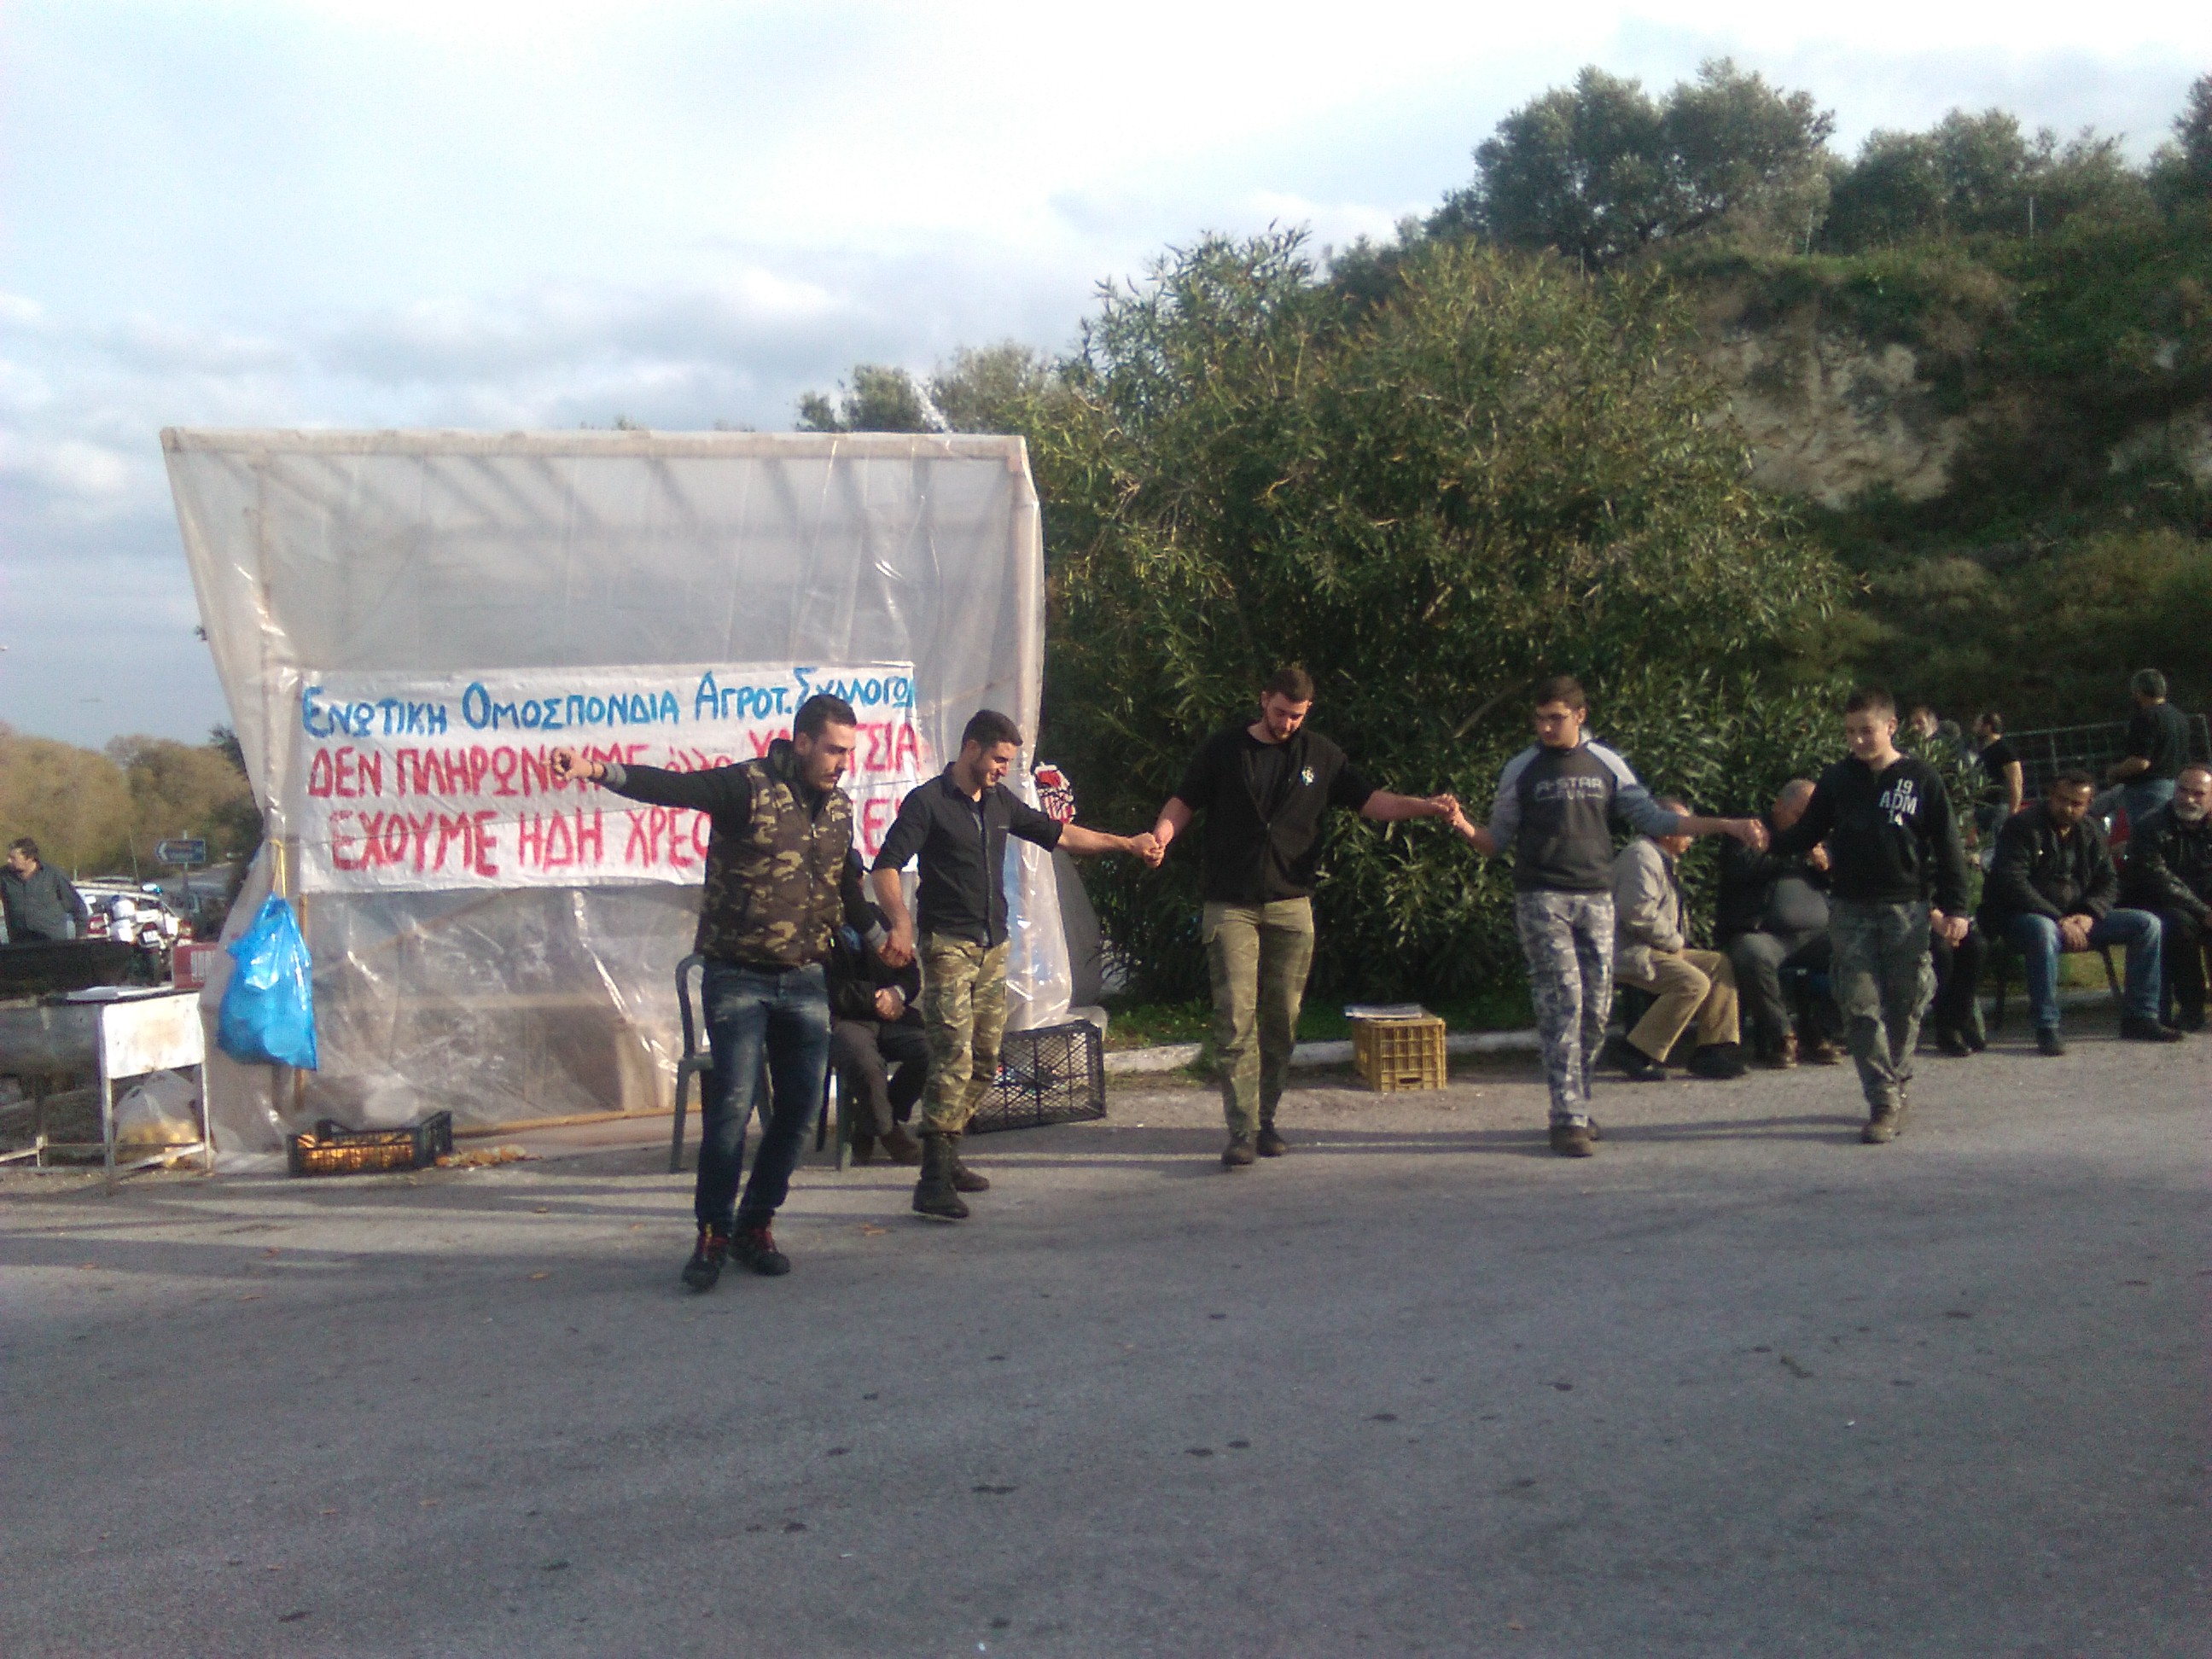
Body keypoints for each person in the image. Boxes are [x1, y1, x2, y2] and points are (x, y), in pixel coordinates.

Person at [550, 694, 873, 1288]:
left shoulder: (839, 809)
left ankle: (756, 1224)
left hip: (805, 978)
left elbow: (843, 884)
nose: (842, 763)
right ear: (802, 742)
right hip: (739, 977)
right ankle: (713, 1234)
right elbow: (672, 787)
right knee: (731, 1109)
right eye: (833, 749)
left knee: (801, 1111)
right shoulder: (745, 787)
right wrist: (598, 770)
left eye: (849, 751)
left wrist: (882, 932)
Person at [1150, 667, 1458, 1169]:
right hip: (1231, 903)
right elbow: (1184, 801)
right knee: (1235, 1017)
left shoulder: (1322, 754)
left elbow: (1371, 802)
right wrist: (1161, 836)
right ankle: (1242, 1131)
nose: (1287, 723)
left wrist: (1425, 807)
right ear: (1263, 700)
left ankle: (1265, 1118)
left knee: (1282, 1020)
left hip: (1292, 904)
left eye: (1296, 716)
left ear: (1307, 711)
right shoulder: (1225, 749)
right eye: (1279, 713)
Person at [1446, 677, 1766, 1157]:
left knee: (1596, 1010)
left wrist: (1727, 825)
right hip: (1542, 898)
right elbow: (1496, 842)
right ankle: (1567, 1119)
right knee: (1564, 1002)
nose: (1546, 728)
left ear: (1580, 715)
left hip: (1596, 899)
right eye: (1540, 719)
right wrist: (1462, 825)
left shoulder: (1606, 763)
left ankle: (1578, 1102)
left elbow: (1656, 820)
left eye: (1556, 718)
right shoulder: (1522, 768)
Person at [876, 709, 1157, 1218]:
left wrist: (1127, 844)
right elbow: (887, 866)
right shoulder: (928, 802)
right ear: (971, 748)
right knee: (953, 1054)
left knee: (986, 1058)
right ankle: (932, 1179)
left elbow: (1061, 835)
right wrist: (900, 922)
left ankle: (949, 1152)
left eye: (1008, 762)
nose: (1003, 770)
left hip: (993, 946)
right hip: (948, 947)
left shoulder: (1000, 802)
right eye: (999, 760)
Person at [1767, 688, 1972, 1145]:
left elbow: (1948, 845)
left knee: (1905, 1005)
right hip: (1851, 909)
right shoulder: (1837, 779)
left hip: (1907, 910)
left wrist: (1956, 907)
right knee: (1859, 1007)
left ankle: (1897, 1084)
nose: (1858, 741)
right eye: (1850, 732)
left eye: (1867, 731)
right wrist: (1763, 838)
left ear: (1891, 727)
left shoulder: (1921, 778)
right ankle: (1882, 1100)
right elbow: (1806, 832)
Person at [1978, 768, 2183, 1056]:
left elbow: (2109, 881)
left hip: (2079, 918)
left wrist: (2089, 913)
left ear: (2088, 804)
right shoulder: (2022, 827)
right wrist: (2058, 918)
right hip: (2023, 918)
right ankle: (2047, 1026)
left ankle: (2141, 1016)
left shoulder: (2091, 831)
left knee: (2147, 924)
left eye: (2077, 803)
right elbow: (2012, 883)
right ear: (2050, 795)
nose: (2068, 808)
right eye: (2062, 800)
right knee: (2043, 930)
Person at [1609, 798, 1748, 1080]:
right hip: (1628, 950)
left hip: (1654, 946)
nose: (1692, 839)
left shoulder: (1660, 857)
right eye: (1686, 831)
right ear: (1665, 830)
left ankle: (1711, 1051)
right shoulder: (1641, 858)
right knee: (1692, 982)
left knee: (1717, 964)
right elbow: (1637, 914)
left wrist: (1674, 945)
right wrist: (1675, 944)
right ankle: (1635, 1052)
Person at [1715, 780, 1838, 1069]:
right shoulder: (1749, 832)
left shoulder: (1822, 836)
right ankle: (1781, 1036)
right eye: (1798, 815)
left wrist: (1827, 867)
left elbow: (1848, 881)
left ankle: (1822, 1030)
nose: (1805, 823)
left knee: (1858, 946)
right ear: (1779, 806)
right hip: (1763, 933)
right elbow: (1739, 869)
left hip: (1817, 936)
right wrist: (1792, 852)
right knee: (1751, 955)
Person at [826, 885, 927, 1166]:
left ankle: (871, 1121)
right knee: (865, 1062)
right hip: (844, 1018)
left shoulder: (876, 919)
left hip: (891, 1014)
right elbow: (822, 986)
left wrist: (898, 994)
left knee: (932, 1051)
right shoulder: (815, 924)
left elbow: (909, 971)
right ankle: (889, 1132)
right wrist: (872, 999)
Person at [2121, 763, 2212, 1031]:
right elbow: (2158, 880)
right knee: (2179, 925)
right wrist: (2204, 912)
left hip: (2204, 901)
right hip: (2162, 902)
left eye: (2198, 793)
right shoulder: (2150, 826)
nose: (2188, 799)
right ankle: (2191, 1007)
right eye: (2182, 790)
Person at [2108, 669, 2191, 831]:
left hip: (2147, 790)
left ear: (2139, 692)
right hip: (2176, 785)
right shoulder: (2180, 717)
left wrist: (2114, 772)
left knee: (2146, 836)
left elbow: (2141, 762)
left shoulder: (2145, 717)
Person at [2, 839, 89, 944]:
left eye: (13, 858)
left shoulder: (53, 875)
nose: (8, 861)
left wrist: (81, 936)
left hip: (52, 944)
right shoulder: (4, 877)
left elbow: (77, 907)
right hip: (20, 944)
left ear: (29, 858)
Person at [1972, 713, 2023, 854]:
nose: (1974, 728)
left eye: (1978, 724)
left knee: (1997, 848)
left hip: (1999, 806)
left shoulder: (2004, 749)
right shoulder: (1984, 751)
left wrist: (2014, 811)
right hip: (1983, 807)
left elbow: (2016, 781)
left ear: (1988, 727)